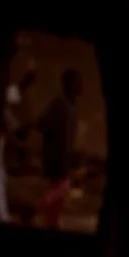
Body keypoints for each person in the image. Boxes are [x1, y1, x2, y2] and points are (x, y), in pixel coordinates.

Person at [35, 68, 82, 228]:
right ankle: (36, 208)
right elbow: (41, 124)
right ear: (68, 84)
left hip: (63, 156)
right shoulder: (60, 104)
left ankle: (52, 223)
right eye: (77, 82)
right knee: (64, 187)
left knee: (59, 195)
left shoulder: (71, 105)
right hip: (56, 156)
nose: (80, 86)